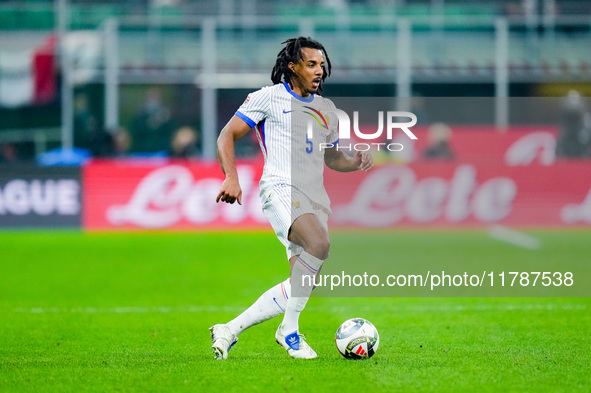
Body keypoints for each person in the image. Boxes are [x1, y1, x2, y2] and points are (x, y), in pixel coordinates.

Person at [210, 37, 374, 360]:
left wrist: (354, 161)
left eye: (322, 66)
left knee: (303, 283)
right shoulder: (267, 98)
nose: (319, 71)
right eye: (311, 64)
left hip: (315, 198)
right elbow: (226, 134)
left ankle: (229, 329)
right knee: (320, 244)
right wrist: (231, 176)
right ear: (293, 66)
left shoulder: (326, 110)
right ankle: (289, 331)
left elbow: (332, 158)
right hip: (281, 188)